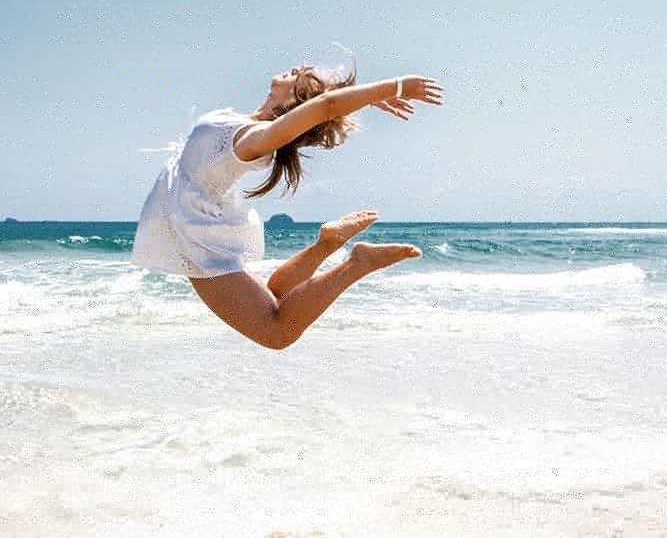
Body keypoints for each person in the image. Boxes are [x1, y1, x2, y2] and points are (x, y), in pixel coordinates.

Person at [131, 64, 444, 350]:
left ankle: (357, 263)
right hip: (197, 221)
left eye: (303, 74)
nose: (297, 66)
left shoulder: (254, 139)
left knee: (277, 332)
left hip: (197, 236)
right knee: (277, 296)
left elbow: (324, 107)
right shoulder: (240, 122)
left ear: (294, 105)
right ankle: (326, 244)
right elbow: (325, 106)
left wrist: (395, 87)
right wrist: (360, 99)